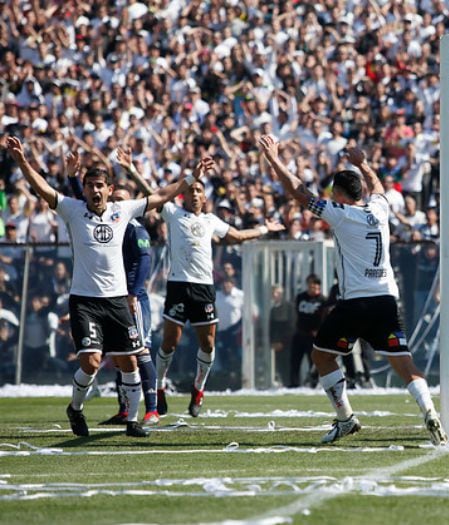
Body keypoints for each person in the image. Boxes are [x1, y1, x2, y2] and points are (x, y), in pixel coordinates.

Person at [4, 136, 208, 438]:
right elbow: (43, 189)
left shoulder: (122, 211)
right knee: (91, 362)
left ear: (109, 190)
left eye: (101, 186)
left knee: (130, 362)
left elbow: (162, 195)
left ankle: (133, 421)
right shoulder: (72, 209)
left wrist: (191, 177)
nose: (95, 190)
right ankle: (75, 408)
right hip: (85, 301)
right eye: (90, 186)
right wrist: (22, 161)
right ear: (84, 189)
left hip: (116, 301)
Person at [259, 135, 447, 445]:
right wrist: (362, 163)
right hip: (386, 299)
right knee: (404, 364)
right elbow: (377, 186)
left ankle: (346, 418)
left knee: (321, 357)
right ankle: (429, 411)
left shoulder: (340, 213)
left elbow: (298, 192)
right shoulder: (380, 207)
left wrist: (275, 160)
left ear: (339, 194)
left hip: (355, 303)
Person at [118, 147, 284, 417]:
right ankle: (158, 387)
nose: (194, 195)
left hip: (204, 288)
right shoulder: (172, 212)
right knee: (170, 341)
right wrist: (133, 170)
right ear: (185, 196)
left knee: (207, 343)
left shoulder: (211, 221)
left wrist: (265, 228)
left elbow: (238, 236)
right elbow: (154, 193)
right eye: (191, 191)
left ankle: (198, 388)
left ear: (204, 198)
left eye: (199, 192)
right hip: (178, 285)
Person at [66, 170, 160, 426]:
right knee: (108, 359)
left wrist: (133, 293)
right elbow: (84, 202)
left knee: (139, 353)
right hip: (95, 299)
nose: (111, 201)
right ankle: (121, 409)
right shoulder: (99, 217)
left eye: (118, 197)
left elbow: (144, 261)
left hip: (128, 298)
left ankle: (150, 410)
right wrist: (73, 179)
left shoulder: (133, 226)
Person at [290, 273, 326, 388]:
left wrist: (319, 330)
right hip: (300, 333)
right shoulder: (301, 297)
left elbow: (324, 318)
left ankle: (314, 384)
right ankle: (293, 384)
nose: (312, 289)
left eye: (315, 287)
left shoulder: (323, 300)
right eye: (310, 286)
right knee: (295, 360)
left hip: (313, 336)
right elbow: (296, 313)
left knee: (313, 361)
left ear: (319, 288)